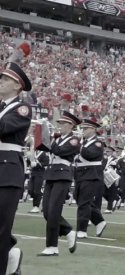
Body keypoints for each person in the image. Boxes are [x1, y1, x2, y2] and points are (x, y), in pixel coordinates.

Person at [0, 60, 33, 275]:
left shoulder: (22, 108)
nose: (0, 82)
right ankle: (11, 254)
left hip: (7, 171)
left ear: (17, 85)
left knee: (1, 227)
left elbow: (3, 128)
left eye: (5, 79)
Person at [38, 111, 79, 256]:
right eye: (59, 123)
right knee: (46, 211)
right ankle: (68, 230)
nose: (59, 126)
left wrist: (47, 138)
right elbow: (45, 148)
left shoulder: (74, 140)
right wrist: (40, 137)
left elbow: (61, 151)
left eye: (62, 124)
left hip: (63, 174)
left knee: (54, 211)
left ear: (70, 125)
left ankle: (52, 246)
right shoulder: (57, 139)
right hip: (51, 173)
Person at [74, 119, 107, 239]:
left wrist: (79, 144)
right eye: (82, 129)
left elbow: (89, 154)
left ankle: (82, 230)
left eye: (85, 129)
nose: (83, 131)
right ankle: (99, 221)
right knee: (79, 199)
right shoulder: (85, 142)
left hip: (92, 175)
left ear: (93, 129)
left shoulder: (98, 143)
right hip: (81, 174)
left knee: (84, 202)